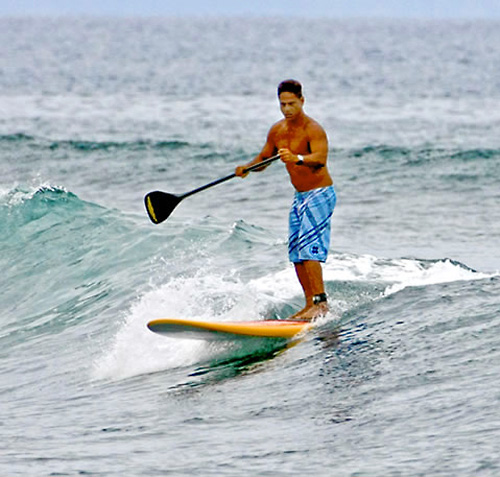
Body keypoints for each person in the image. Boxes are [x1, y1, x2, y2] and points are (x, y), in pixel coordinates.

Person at [235, 79, 336, 321]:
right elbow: (264, 158)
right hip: (299, 197)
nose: (287, 109)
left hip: (319, 194)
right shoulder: (277, 131)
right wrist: (247, 168)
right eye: (283, 104)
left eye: (292, 103)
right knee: (296, 252)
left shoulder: (313, 129)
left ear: (302, 101)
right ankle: (309, 303)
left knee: (310, 249)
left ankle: (321, 304)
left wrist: (297, 158)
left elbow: (320, 159)